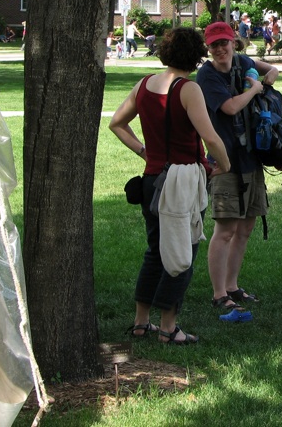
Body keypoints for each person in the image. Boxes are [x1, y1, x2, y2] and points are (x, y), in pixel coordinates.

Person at [109, 28, 231, 344]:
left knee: (155, 252)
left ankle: (140, 322)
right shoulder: (188, 89)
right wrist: (224, 165)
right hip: (182, 182)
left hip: (152, 180)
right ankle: (168, 327)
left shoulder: (144, 85)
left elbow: (117, 123)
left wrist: (144, 151)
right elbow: (210, 137)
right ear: (195, 56)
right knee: (181, 253)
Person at [197, 22, 280, 321]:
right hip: (224, 161)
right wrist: (254, 89)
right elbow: (230, 108)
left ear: (234, 42)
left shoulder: (243, 62)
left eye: (225, 43)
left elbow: (273, 70)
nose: (220, 49)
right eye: (214, 45)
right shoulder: (206, 75)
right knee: (225, 230)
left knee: (245, 228)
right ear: (208, 47)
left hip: (251, 158)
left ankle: (232, 287)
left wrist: (262, 79)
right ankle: (219, 294)